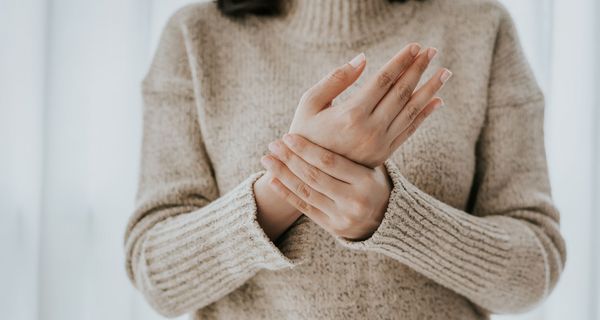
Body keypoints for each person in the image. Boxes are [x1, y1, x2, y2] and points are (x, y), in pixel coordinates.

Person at [123, 0, 566, 318]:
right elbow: (156, 276)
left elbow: (533, 272)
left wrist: (389, 216)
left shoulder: (482, 26)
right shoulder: (195, 34)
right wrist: (294, 183)